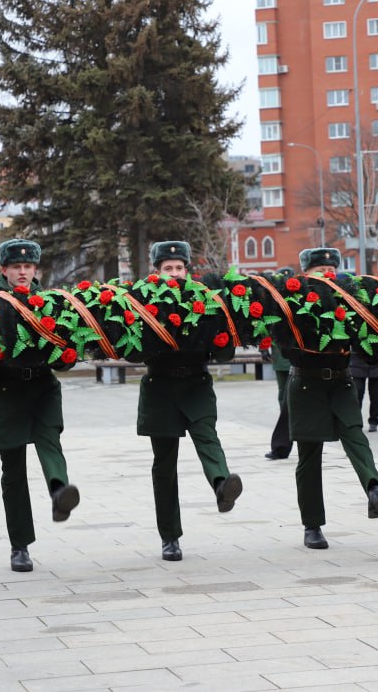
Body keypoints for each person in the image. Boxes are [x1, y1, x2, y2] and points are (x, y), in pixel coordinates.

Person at [276, 248, 378, 550]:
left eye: (331, 269)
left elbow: (369, 349)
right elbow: (284, 347)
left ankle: (374, 493)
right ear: (306, 274)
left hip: (341, 381)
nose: (326, 275)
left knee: (356, 436)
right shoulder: (293, 304)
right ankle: (312, 526)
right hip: (305, 383)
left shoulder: (351, 300)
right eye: (319, 270)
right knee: (309, 455)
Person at [0, 239, 80, 572]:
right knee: (13, 472)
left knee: (51, 441)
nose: (22, 272)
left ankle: (60, 493)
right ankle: (20, 547)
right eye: (16, 267)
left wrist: (67, 358)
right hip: (6, 392)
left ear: (36, 270)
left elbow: (67, 344)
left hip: (43, 387)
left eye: (28, 267)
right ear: (3, 269)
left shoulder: (51, 302)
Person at [136, 241, 243, 562]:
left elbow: (223, 347)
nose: (174, 274)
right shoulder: (143, 303)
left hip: (196, 383)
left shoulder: (205, 301)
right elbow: (132, 349)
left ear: (187, 270)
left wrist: (223, 337)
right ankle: (170, 537)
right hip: (161, 386)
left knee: (207, 435)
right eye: (167, 269)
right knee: (164, 465)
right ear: (156, 273)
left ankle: (223, 485)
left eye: (179, 268)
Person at [264, 269, 294, 461]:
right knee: (284, 397)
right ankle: (282, 446)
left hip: (296, 358)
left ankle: (283, 446)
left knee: (288, 399)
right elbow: (267, 327)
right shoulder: (274, 304)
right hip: (282, 357)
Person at [351, 344, 378, 432]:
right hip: (357, 362)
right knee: (357, 394)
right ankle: (356, 421)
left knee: (376, 395)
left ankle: (373, 420)